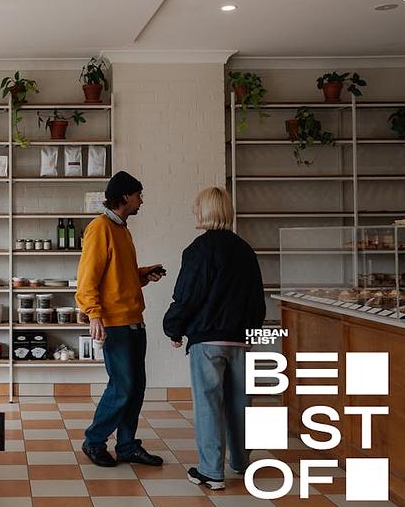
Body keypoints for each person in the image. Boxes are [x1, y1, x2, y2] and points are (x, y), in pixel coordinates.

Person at [163, 187, 265, 490]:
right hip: (241, 339)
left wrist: (174, 328)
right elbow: (257, 300)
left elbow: (187, 296)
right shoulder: (246, 250)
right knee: (241, 404)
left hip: (207, 341)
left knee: (208, 404)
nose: (194, 211)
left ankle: (211, 472)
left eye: (197, 207)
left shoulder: (199, 250)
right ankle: (241, 462)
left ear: (204, 211)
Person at [76, 171, 165, 468]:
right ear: (125, 196)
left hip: (134, 320)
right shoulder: (99, 228)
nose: (142, 200)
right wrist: (94, 314)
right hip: (115, 323)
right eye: (139, 194)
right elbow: (87, 278)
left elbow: (117, 276)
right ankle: (94, 441)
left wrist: (143, 275)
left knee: (135, 388)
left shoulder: (122, 229)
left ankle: (127, 446)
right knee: (122, 387)